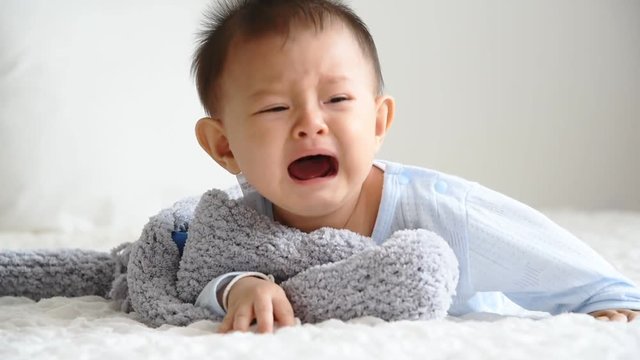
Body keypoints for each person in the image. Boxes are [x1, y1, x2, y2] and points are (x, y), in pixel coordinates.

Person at [190, 0, 640, 333]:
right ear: (225, 146)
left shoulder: (443, 213)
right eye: (274, 108)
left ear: (378, 121)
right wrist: (239, 287)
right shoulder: (240, 219)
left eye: (338, 99)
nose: (310, 124)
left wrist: (607, 299)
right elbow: (200, 274)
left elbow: (550, 259)